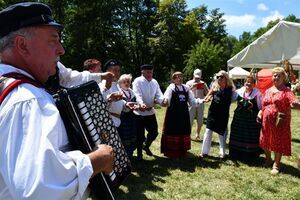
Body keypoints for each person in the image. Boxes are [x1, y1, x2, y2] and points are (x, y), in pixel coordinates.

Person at [0, 3, 114, 199]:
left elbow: (70, 76)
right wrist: (98, 159)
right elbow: (39, 191)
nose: (61, 50)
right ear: (22, 45)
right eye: (53, 41)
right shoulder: (27, 99)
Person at [257, 67, 300, 175]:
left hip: (279, 121)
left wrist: (295, 104)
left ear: (283, 78)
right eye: (274, 75)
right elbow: (264, 104)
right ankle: (268, 160)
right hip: (266, 120)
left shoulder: (286, 91)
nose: (275, 77)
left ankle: (276, 164)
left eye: (278, 75)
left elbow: (293, 101)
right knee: (265, 139)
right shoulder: (268, 90)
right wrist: (260, 112)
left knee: (278, 141)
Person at [161, 72, 203, 159]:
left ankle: (182, 150)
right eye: (177, 77)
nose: (180, 79)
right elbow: (167, 98)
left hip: (183, 114)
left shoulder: (186, 88)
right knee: (173, 129)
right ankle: (171, 151)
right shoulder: (171, 87)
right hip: (173, 114)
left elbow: (192, 101)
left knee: (183, 129)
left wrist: (201, 101)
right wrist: (165, 101)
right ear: (173, 79)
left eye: (181, 77)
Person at [200, 70, 235, 159]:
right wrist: (207, 98)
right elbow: (208, 95)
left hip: (223, 114)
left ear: (226, 78)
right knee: (208, 131)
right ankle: (204, 152)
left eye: (221, 77)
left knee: (222, 133)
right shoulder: (215, 86)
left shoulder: (230, 89)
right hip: (213, 113)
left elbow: (236, 98)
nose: (219, 78)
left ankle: (222, 153)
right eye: (217, 77)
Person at [132, 64, 165, 160]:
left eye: (151, 72)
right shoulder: (137, 81)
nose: (150, 74)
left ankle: (146, 146)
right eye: (148, 72)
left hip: (150, 112)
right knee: (140, 135)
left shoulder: (154, 82)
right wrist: (141, 103)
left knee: (154, 132)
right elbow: (137, 94)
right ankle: (139, 155)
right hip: (139, 113)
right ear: (142, 72)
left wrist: (163, 100)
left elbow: (159, 94)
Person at [229, 75, 263, 162]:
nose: (248, 84)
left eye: (251, 82)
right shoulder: (239, 92)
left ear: (254, 84)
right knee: (237, 135)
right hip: (239, 119)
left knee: (249, 137)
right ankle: (235, 154)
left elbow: (260, 107)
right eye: (247, 82)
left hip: (251, 121)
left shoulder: (257, 94)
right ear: (244, 83)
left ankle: (249, 155)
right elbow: (231, 99)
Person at [99, 59, 136, 127]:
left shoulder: (117, 86)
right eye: (114, 70)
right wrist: (109, 99)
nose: (117, 73)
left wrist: (126, 105)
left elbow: (119, 103)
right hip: (107, 122)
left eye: (118, 70)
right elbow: (100, 105)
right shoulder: (102, 85)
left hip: (117, 122)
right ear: (107, 72)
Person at [117, 74, 139, 160]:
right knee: (124, 138)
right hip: (123, 119)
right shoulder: (118, 92)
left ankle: (130, 156)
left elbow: (136, 102)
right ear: (120, 83)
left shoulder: (132, 92)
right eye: (124, 82)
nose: (126, 84)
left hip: (132, 118)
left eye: (128, 82)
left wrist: (137, 106)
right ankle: (124, 158)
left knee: (132, 136)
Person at [186, 69, 209, 140]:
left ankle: (197, 133)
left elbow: (207, 94)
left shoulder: (203, 83)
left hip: (200, 103)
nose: (197, 79)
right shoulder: (189, 83)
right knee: (190, 120)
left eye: (198, 78)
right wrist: (192, 87)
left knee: (200, 120)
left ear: (201, 77)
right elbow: (185, 93)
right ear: (193, 76)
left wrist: (205, 88)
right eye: (196, 78)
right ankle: (188, 135)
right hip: (191, 103)